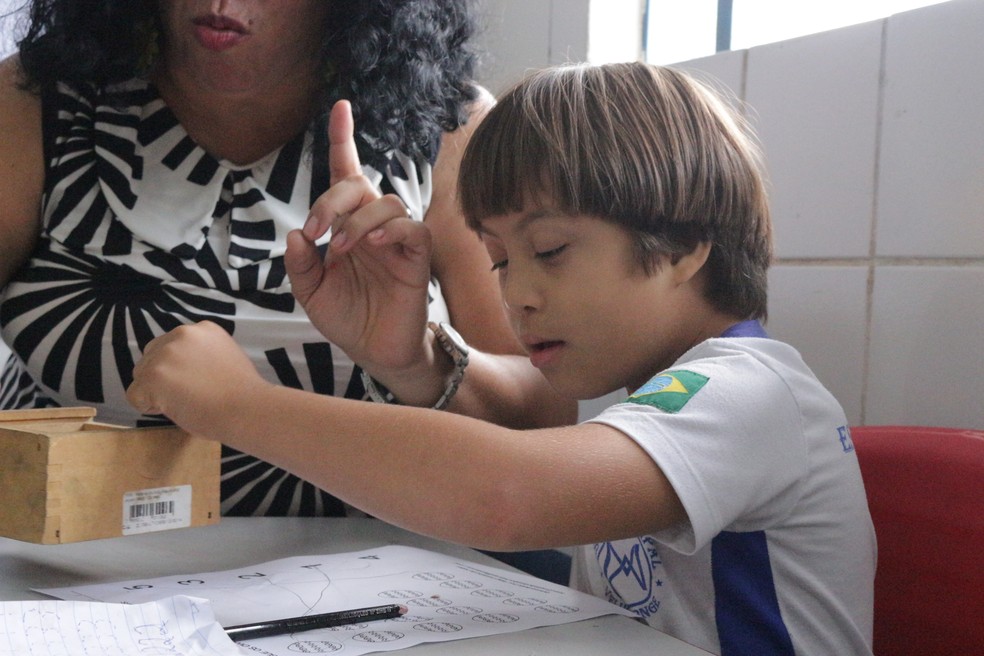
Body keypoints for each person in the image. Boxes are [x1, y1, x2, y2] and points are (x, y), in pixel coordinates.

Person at [126, 61, 877, 655]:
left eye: (548, 250)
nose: (516, 293)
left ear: (682, 246)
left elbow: (503, 495)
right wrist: (415, 357)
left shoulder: (751, 394)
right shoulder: (649, 401)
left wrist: (237, 405)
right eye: (497, 261)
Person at [0, 0, 576, 517]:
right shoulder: (33, 101)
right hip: (63, 573)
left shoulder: (446, 125)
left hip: (367, 583)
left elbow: (547, 413)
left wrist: (418, 361)